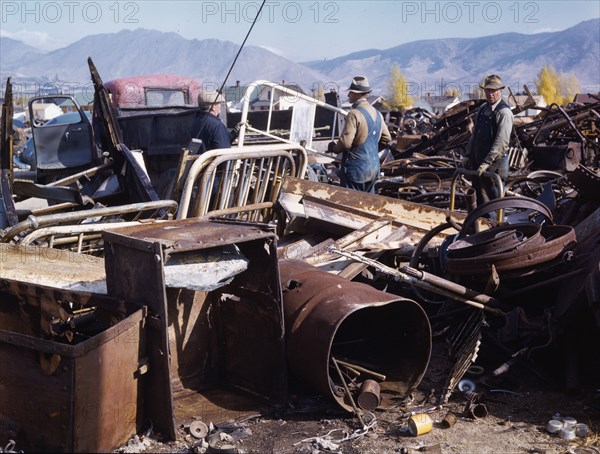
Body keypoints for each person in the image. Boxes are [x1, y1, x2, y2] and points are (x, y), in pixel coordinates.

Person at [328, 76, 392, 193]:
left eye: (350, 93)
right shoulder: (377, 114)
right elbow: (387, 139)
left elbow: (346, 143)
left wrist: (334, 148)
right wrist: (370, 149)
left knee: (351, 204)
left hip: (356, 170)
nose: (348, 96)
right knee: (367, 204)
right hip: (373, 168)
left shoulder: (354, 114)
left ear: (357, 94)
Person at [464, 74, 514, 205]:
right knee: (480, 201)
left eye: (494, 91)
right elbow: (475, 135)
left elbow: (501, 143)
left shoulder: (504, 113)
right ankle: (480, 224)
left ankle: (495, 225)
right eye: (488, 90)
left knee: (493, 204)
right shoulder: (483, 109)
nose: (491, 94)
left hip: (494, 166)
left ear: (500, 91)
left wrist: (486, 163)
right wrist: (468, 155)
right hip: (478, 164)